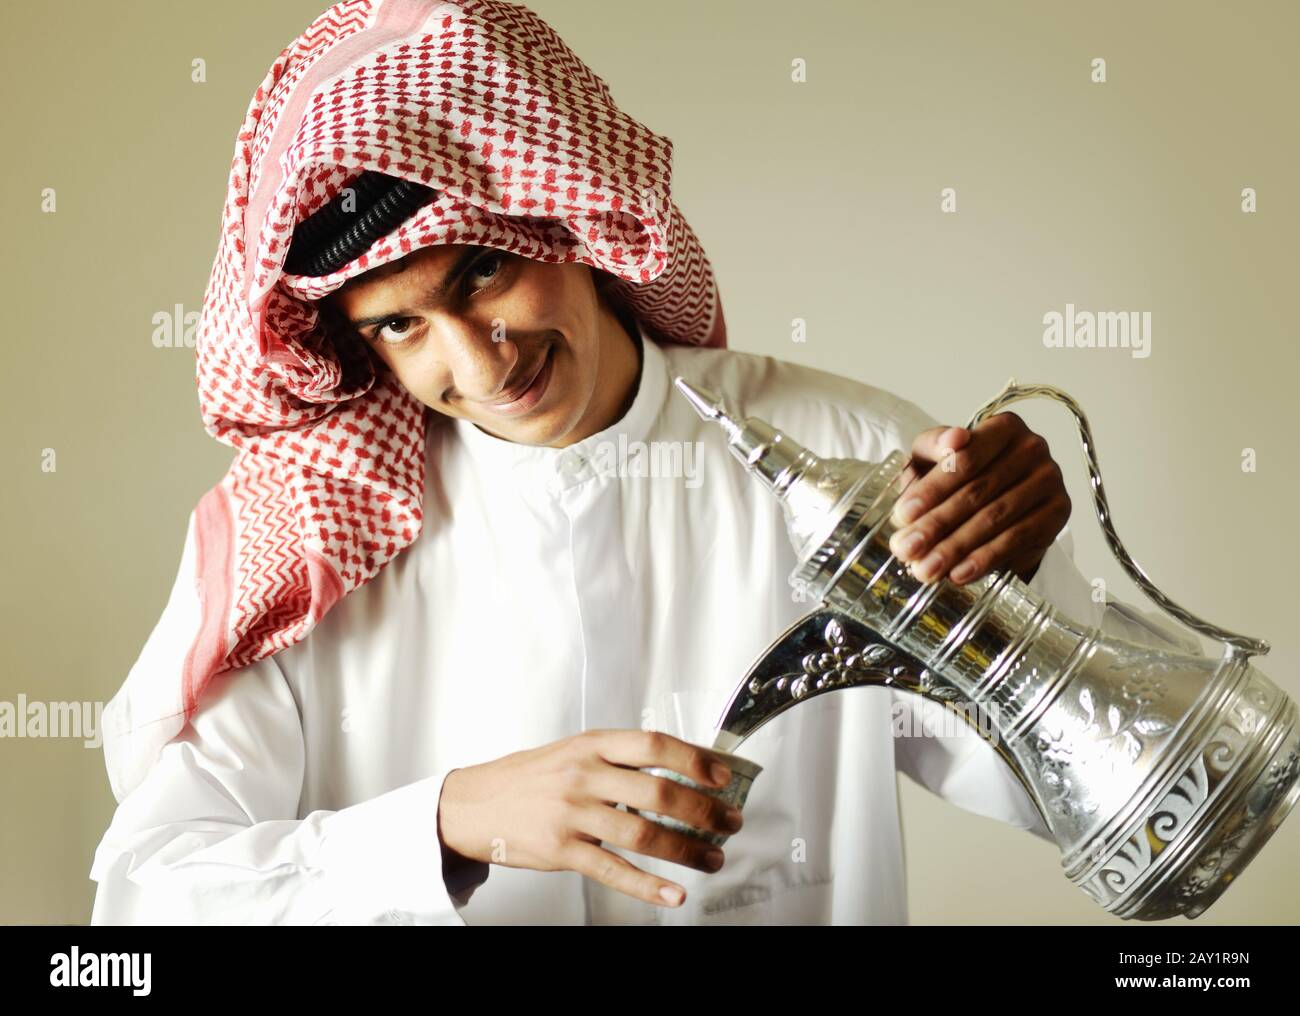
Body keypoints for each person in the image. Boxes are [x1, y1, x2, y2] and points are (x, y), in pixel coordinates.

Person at [88, 0, 1203, 925]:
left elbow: (1125, 803)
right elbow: (145, 905)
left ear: (565, 222)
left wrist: (1019, 585)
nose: (476, 360)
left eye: (482, 273)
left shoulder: (852, 452)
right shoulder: (312, 540)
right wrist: (446, 817)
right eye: (399, 325)